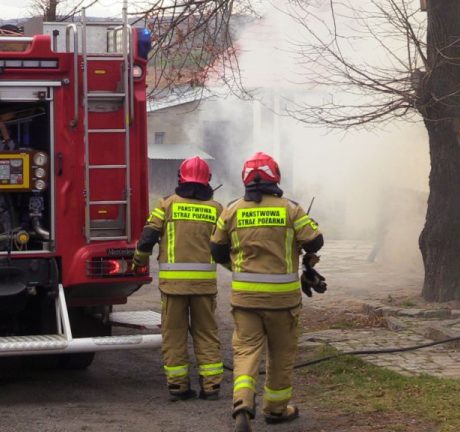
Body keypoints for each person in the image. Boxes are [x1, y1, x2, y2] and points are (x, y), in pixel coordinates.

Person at [210, 152, 324, 431]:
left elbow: (216, 249)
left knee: (246, 351)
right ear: (275, 176)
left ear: (245, 178)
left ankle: (242, 405)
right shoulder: (291, 209)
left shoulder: (232, 210)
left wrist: (234, 265)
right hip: (282, 301)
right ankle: (275, 410)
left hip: (245, 298)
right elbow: (315, 241)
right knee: (281, 353)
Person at [133, 156, 225, 401]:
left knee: (174, 334)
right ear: (208, 181)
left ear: (180, 178)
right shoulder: (217, 209)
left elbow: (146, 240)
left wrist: (138, 262)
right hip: (204, 286)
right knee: (206, 333)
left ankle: (178, 386)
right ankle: (212, 386)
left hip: (173, 287)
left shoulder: (166, 205)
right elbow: (226, 245)